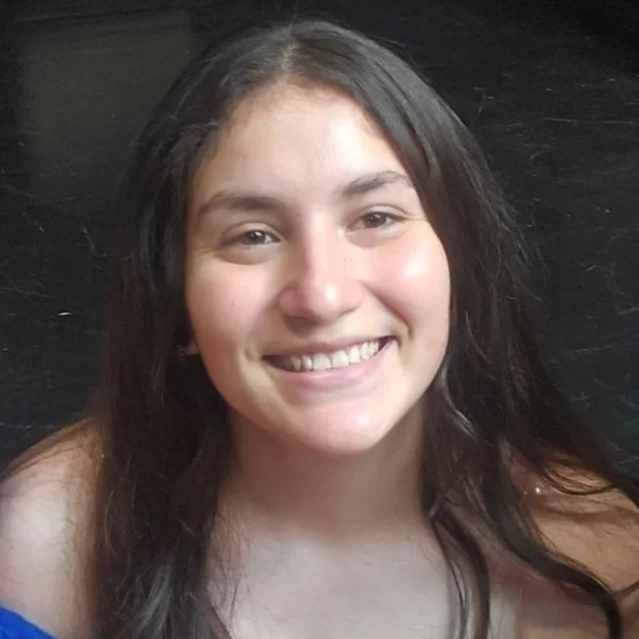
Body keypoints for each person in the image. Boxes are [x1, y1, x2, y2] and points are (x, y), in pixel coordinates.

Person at [0, 15, 638, 639]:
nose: (322, 296)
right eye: (253, 236)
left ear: (457, 264)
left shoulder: (610, 573)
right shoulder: (45, 543)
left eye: (376, 218)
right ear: (175, 303)